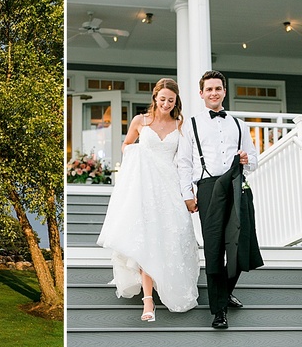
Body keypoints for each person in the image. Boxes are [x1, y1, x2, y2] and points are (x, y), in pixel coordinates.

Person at [97, 78, 200, 322]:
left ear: (176, 102)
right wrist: (138, 155)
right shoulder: (140, 121)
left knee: (171, 237)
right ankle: (148, 301)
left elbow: (185, 161)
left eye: (171, 100)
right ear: (155, 98)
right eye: (162, 99)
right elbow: (126, 145)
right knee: (147, 240)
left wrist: (189, 192)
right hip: (144, 188)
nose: (166, 103)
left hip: (170, 188)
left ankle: (169, 283)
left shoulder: (181, 125)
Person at [177, 70, 259, 329]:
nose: (214, 93)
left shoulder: (239, 124)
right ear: (201, 94)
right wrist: (188, 195)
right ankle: (218, 310)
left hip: (237, 186)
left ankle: (225, 291)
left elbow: (254, 159)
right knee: (214, 248)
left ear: (224, 91)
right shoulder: (190, 124)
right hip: (209, 187)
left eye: (218, 88)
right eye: (209, 89)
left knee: (239, 242)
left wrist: (247, 160)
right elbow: (183, 163)